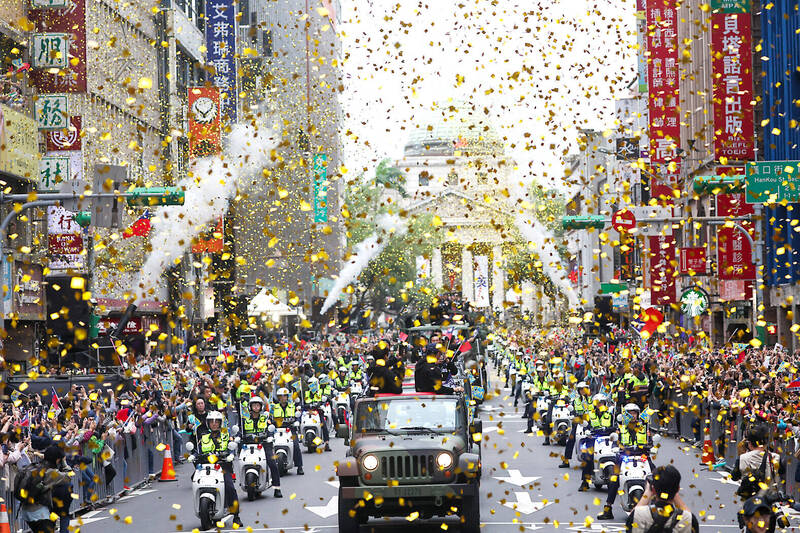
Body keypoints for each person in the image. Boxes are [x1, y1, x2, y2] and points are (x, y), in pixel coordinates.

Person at [598, 403, 653, 520]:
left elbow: (651, 442)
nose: (632, 416)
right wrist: (616, 447)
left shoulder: (644, 427)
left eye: (634, 413)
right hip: (623, 458)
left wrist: (650, 447)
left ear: (638, 415)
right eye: (630, 413)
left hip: (642, 457)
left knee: (657, 477)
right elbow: (614, 443)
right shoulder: (620, 429)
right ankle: (608, 509)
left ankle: (658, 508)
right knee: (614, 480)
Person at [197, 411, 242, 527]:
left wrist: (231, 454)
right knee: (196, 481)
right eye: (211, 422)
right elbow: (199, 452)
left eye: (216, 422)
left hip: (223, 467)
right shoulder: (204, 438)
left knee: (230, 487)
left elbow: (231, 448)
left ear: (220, 423)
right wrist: (194, 456)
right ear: (208, 424)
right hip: (207, 468)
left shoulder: (226, 436)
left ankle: (236, 516)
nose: (214, 424)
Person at [625, 465, 698, 533]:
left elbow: (631, 520)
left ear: (653, 489)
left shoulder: (639, 515)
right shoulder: (687, 519)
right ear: (678, 489)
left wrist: (647, 492)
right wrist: (673, 491)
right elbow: (690, 518)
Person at [18, 445, 72, 533]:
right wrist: (64, 463)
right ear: (58, 459)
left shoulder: (32, 467)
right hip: (39, 513)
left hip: (26, 511)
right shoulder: (51, 472)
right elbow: (69, 475)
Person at [241, 396, 282, 498]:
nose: (255, 407)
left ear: (261, 407)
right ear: (250, 407)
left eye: (257, 405)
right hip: (249, 445)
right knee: (242, 461)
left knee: (272, 463)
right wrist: (237, 438)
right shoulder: (245, 419)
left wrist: (270, 437)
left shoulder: (265, 418)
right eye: (254, 405)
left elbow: (270, 429)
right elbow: (240, 432)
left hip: (264, 444)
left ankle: (277, 488)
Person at [574, 393, 614, 490]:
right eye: (598, 403)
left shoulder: (610, 414)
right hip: (593, 438)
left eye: (602, 403)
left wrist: (614, 430)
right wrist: (587, 430)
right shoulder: (590, 414)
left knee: (617, 456)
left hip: (607, 439)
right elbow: (586, 425)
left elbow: (615, 426)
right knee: (588, 457)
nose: (600, 405)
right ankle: (585, 482)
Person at [731, 424, 781, 499]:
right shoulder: (776, 458)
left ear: (750, 443)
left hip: (749, 501)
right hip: (769, 500)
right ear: (766, 443)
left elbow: (734, 477)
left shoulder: (742, 458)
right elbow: (782, 475)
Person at [559, 381, 592, 469]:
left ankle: (590, 459)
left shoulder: (591, 400)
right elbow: (572, 410)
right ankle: (566, 460)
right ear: (578, 390)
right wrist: (573, 416)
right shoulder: (575, 401)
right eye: (581, 389)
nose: (583, 391)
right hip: (578, 422)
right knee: (571, 439)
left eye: (585, 389)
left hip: (589, 422)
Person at [271, 387, 304, 474]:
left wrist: (297, 421)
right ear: (278, 398)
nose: (283, 398)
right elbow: (269, 418)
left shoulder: (292, 406)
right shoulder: (274, 407)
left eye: (285, 396)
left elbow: (298, 416)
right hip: (277, 430)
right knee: (270, 446)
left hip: (290, 429)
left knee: (296, 446)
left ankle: (299, 466)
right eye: (281, 396)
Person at [303, 377, 331, 451]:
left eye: (313, 384)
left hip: (318, 412)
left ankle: (327, 443)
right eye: (310, 384)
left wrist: (322, 403)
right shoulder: (306, 393)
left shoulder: (320, 392)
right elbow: (302, 403)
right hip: (308, 412)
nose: (311, 385)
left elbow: (325, 399)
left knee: (323, 425)